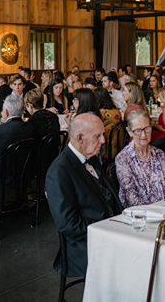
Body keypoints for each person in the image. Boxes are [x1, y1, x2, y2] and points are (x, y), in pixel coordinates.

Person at [46, 113, 122, 278]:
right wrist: (108, 230)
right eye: (98, 136)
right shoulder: (59, 171)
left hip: (112, 231)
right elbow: (68, 225)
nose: (103, 141)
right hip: (85, 245)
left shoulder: (91, 157)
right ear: (80, 138)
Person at [0, 94, 36, 200]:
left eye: (3, 110)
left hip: (1, 172)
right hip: (23, 169)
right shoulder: (30, 127)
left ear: (7, 112)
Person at [115, 109, 165, 208]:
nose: (144, 135)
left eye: (147, 129)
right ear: (129, 132)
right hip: (140, 215)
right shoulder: (123, 159)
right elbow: (131, 199)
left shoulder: (159, 154)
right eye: (138, 131)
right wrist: (157, 207)